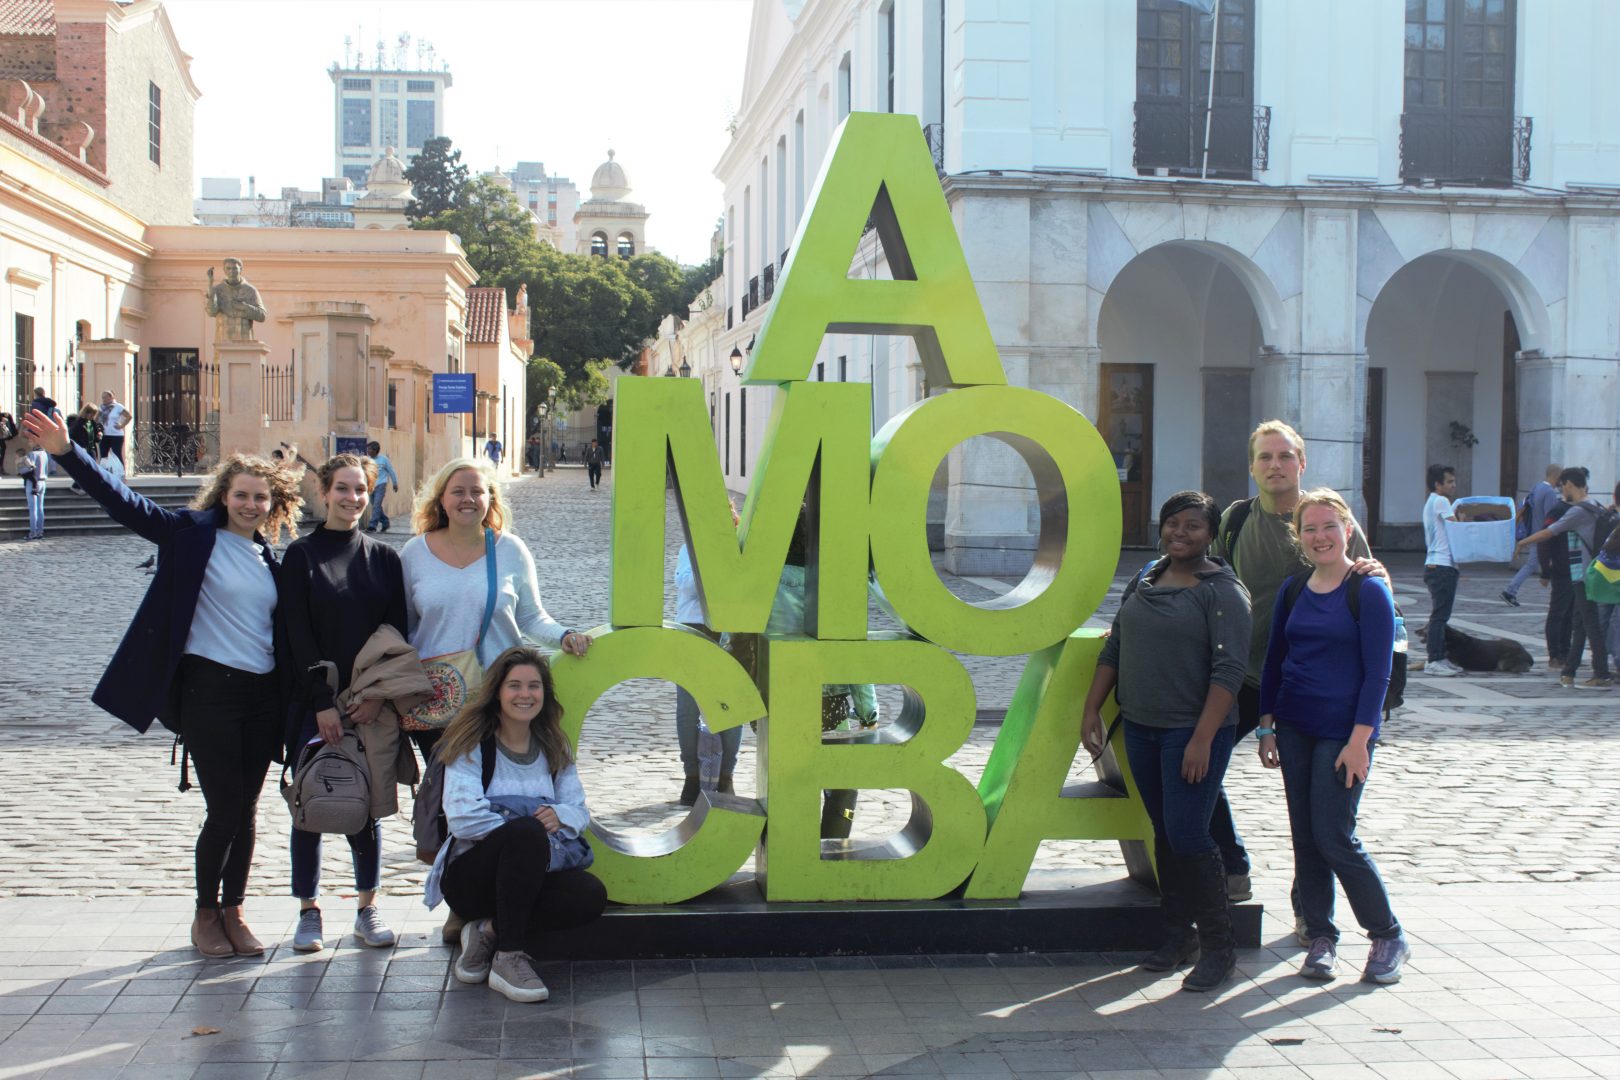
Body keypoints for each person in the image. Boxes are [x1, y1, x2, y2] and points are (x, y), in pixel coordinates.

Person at [21, 407, 301, 958]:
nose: (250, 505)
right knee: (223, 808)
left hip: (260, 696)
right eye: (242, 495)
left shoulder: (270, 557)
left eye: (260, 498)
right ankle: (204, 914)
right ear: (224, 496)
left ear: (273, 504)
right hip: (209, 692)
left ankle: (235, 911)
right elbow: (125, 504)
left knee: (246, 810)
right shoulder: (189, 536)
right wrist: (66, 452)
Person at [402, 457, 593, 941]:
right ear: (440, 499)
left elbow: (531, 616)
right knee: (451, 801)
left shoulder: (508, 550)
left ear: (491, 500)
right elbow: (404, 627)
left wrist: (564, 634)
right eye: (458, 491)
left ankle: (493, 902)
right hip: (441, 697)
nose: (468, 499)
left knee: (493, 792)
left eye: (478, 491)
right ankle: (459, 903)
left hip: (505, 696)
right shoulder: (414, 554)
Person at [1209, 420, 1380, 915]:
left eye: (1285, 456)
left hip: (1316, 688)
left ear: (1301, 463)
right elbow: (1207, 576)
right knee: (1196, 765)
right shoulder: (1236, 522)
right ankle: (1232, 865)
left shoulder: (1328, 519)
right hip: (1247, 676)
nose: (1275, 465)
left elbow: (1371, 583)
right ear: (1252, 467)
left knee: (1315, 813)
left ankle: (1311, 911)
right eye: (1265, 457)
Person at [1083, 491, 1251, 992]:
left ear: (1211, 534)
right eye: (1173, 523)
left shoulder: (1222, 591)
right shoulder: (1148, 576)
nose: (1181, 533)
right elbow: (1116, 642)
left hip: (1192, 733)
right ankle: (1179, 936)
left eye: (1193, 526)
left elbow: (1229, 669)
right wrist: (1092, 706)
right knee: (1164, 831)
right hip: (1141, 726)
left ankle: (1221, 949)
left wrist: (1202, 739)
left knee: (1190, 835)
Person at [1257, 488, 1409, 985]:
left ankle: (1387, 934)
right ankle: (1320, 936)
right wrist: (1266, 725)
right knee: (1305, 837)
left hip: (1345, 733)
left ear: (1347, 529)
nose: (1320, 536)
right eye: (1309, 529)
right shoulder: (1294, 588)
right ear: (1298, 538)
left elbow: (1377, 674)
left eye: (1328, 526)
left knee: (1335, 835)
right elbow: (1275, 659)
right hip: (1295, 727)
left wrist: (1361, 739)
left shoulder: (1368, 589)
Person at [424, 646, 607, 1003]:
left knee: (589, 895)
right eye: (515, 686)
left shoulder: (554, 746)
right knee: (526, 833)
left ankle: (488, 931)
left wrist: (562, 816)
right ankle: (509, 957)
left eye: (534, 686)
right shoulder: (472, 743)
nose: (525, 694)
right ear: (497, 692)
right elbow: (463, 817)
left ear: (545, 693)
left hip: (527, 880)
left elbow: (578, 810)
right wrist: (524, 835)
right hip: (470, 879)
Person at [278, 454, 409, 953]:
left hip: (370, 705)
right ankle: (308, 910)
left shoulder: (384, 559)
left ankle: (366, 907)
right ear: (324, 491)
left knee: (365, 808)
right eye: (343, 489)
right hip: (315, 704)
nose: (352, 498)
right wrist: (321, 703)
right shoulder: (301, 556)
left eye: (360, 490)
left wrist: (376, 699)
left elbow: (395, 635)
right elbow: (296, 634)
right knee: (310, 802)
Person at [1517, 467, 1612, 689]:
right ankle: (1569, 671)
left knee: (1590, 624)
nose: (1561, 493)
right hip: (1587, 572)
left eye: (1562, 488)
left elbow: (1549, 532)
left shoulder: (1578, 511)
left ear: (1569, 484)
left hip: (1584, 574)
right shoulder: (1597, 506)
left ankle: (1602, 674)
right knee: (1579, 624)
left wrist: (1523, 542)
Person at [674, 503, 742, 805]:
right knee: (687, 710)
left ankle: (726, 776)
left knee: (731, 708)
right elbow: (686, 585)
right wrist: (712, 558)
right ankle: (692, 776)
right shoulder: (689, 547)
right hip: (693, 628)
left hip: (730, 630)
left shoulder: (742, 548)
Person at [1420, 464, 1463, 677]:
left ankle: (1440, 657)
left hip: (1437, 564)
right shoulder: (1441, 501)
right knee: (1439, 616)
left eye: (1454, 481)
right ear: (1438, 484)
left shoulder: (1432, 502)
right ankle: (1434, 659)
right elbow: (1456, 528)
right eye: (1449, 482)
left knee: (1440, 615)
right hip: (1442, 565)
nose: (1453, 485)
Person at [1502, 464, 1563, 606]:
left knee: (1536, 564)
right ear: (1556, 476)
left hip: (1533, 531)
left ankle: (1511, 591)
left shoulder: (1536, 487)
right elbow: (1551, 516)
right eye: (1561, 477)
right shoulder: (1549, 493)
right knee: (1532, 564)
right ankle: (1510, 590)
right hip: (1542, 534)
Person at [365, 440, 400, 533]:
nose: (368, 451)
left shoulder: (383, 459)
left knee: (376, 505)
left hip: (381, 484)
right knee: (376, 506)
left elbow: (391, 471)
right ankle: (385, 522)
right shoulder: (367, 460)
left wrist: (395, 483)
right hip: (370, 486)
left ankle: (372, 526)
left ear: (375, 450)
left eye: (369, 449)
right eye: (367, 449)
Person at [18, 434, 48, 540]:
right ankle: (40, 531)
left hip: (33, 482)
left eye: (31, 440)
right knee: (40, 508)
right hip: (42, 481)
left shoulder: (31, 454)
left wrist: (20, 469)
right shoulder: (44, 454)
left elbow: (28, 469)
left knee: (33, 509)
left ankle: (33, 532)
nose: (29, 442)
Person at [66, 405, 101, 492]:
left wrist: (99, 436)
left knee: (93, 469)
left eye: (94, 415)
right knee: (85, 469)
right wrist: (80, 447)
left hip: (91, 449)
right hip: (83, 449)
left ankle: (84, 486)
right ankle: (77, 486)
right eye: (92, 414)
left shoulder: (92, 422)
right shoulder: (78, 423)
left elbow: (95, 437)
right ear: (86, 413)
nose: (93, 416)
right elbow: (72, 436)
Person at [98, 391, 131, 466]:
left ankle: (121, 474)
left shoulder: (118, 406)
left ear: (111, 397)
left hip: (116, 435)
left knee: (117, 455)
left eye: (105, 397)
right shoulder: (101, 407)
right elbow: (96, 418)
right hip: (104, 434)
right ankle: (103, 475)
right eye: (102, 397)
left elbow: (129, 416)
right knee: (103, 456)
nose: (104, 399)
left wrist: (121, 426)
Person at [0, 410, 18, 475]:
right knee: (2, 454)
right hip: (3, 439)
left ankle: (1, 468)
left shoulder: (5, 416)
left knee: (2, 453)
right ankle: (1, 468)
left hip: (2, 439)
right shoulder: (5, 416)